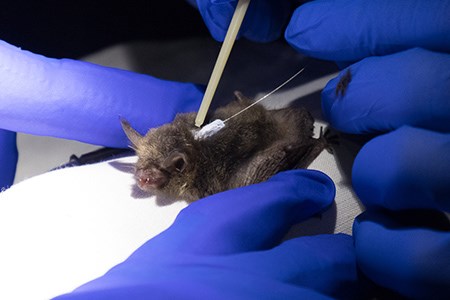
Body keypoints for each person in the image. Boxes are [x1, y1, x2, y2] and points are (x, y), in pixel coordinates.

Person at [0, 0, 448, 298]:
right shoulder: (171, 154)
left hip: (268, 130)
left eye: (156, 172)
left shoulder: (200, 177)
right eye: (144, 167)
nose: (145, 180)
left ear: (181, 168)